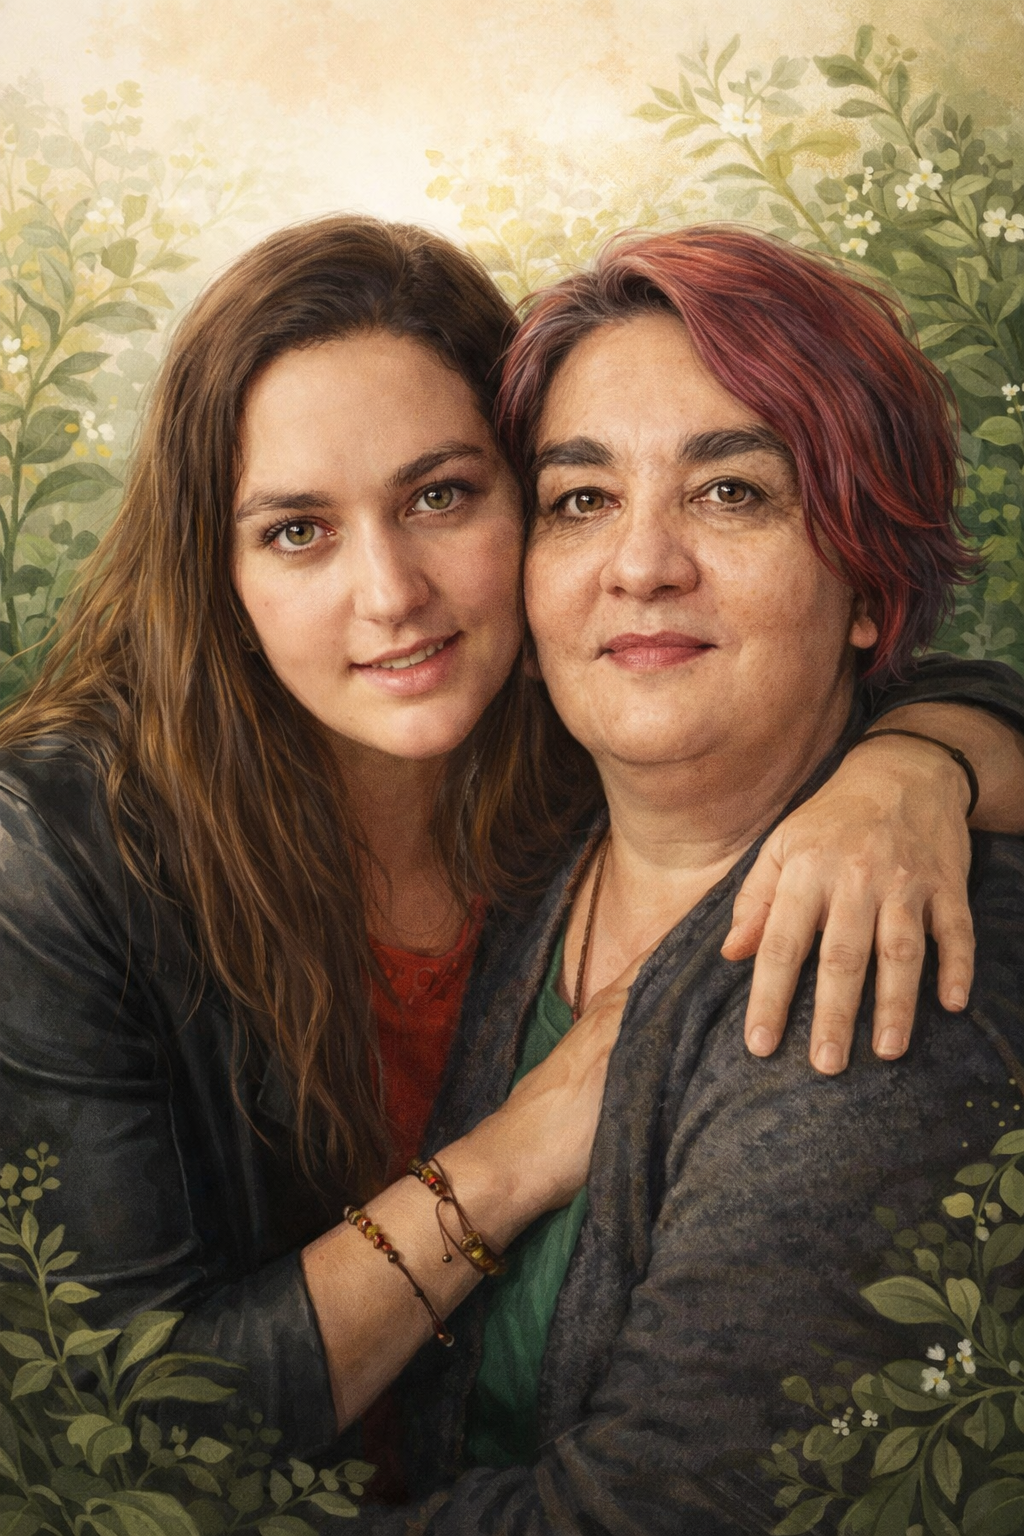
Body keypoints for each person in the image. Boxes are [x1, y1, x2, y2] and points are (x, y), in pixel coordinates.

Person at [0, 218, 1022, 1458]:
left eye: (441, 495)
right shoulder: (59, 852)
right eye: (296, 530)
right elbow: (97, 1436)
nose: (390, 595)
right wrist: (512, 1155)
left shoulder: (578, 742)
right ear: (213, 572)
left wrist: (919, 764)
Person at [351, 227, 1024, 1533]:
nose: (641, 563)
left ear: (871, 586)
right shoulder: (515, 855)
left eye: (733, 493)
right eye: (581, 500)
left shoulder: (887, 969)